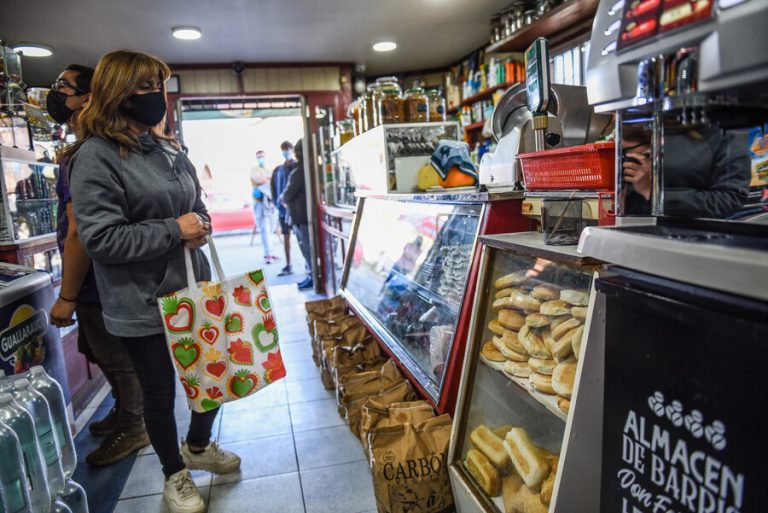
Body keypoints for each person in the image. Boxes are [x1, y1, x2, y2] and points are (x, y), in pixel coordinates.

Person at [68, 50, 239, 513]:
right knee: (159, 393)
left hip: (192, 290)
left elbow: (195, 205)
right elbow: (101, 238)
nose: (154, 97)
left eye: (157, 86)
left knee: (214, 376)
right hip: (140, 301)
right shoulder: (94, 156)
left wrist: (200, 224)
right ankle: (174, 475)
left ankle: (199, 446)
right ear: (116, 94)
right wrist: (173, 230)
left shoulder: (166, 148)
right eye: (143, 88)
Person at [47, 63, 148, 466]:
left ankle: (133, 424)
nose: (56, 93)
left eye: (64, 87)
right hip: (95, 280)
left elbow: (79, 232)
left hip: (93, 280)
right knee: (99, 349)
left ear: (89, 98)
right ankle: (125, 413)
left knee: (116, 357)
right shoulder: (86, 151)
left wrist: (67, 295)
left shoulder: (85, 156)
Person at [621, 124, 750, 218]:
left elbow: (729, 200)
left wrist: (654, 193)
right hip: (638, 235)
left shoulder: (723, 135)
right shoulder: (647, 121)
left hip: (698, 238)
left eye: (625, 152)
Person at [281, 138, 313, 290]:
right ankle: (311, 275)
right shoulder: (306, 168)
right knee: (308, 249)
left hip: (301, 216)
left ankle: (312, 276)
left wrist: (282, 198)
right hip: (303, 215)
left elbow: (287, 195)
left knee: (307, 249)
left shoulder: (299, 171)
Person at [271, 140, 296, 276]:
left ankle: (309, 266)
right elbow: (273, 189)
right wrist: (278, 203)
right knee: (286, 237)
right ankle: (288, 264)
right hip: (282, 209)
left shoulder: (297, 167)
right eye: (284, 149)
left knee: (301, 237)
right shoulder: (278, 170)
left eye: (288, 148)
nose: (286, 151)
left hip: (296, 210)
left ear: (292, 149)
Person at [250, 149, 277, 263]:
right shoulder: (254, 170)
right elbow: (259, 180)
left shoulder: (268, 170)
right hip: (260, 203)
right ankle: (268, 254)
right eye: (259, 156)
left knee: (270, 229)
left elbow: (272, 181)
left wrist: (267, 180)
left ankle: (270, 252)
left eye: (262, 156)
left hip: (270, 203)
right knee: (264, 229)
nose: (261, 158)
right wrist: (267, 179)